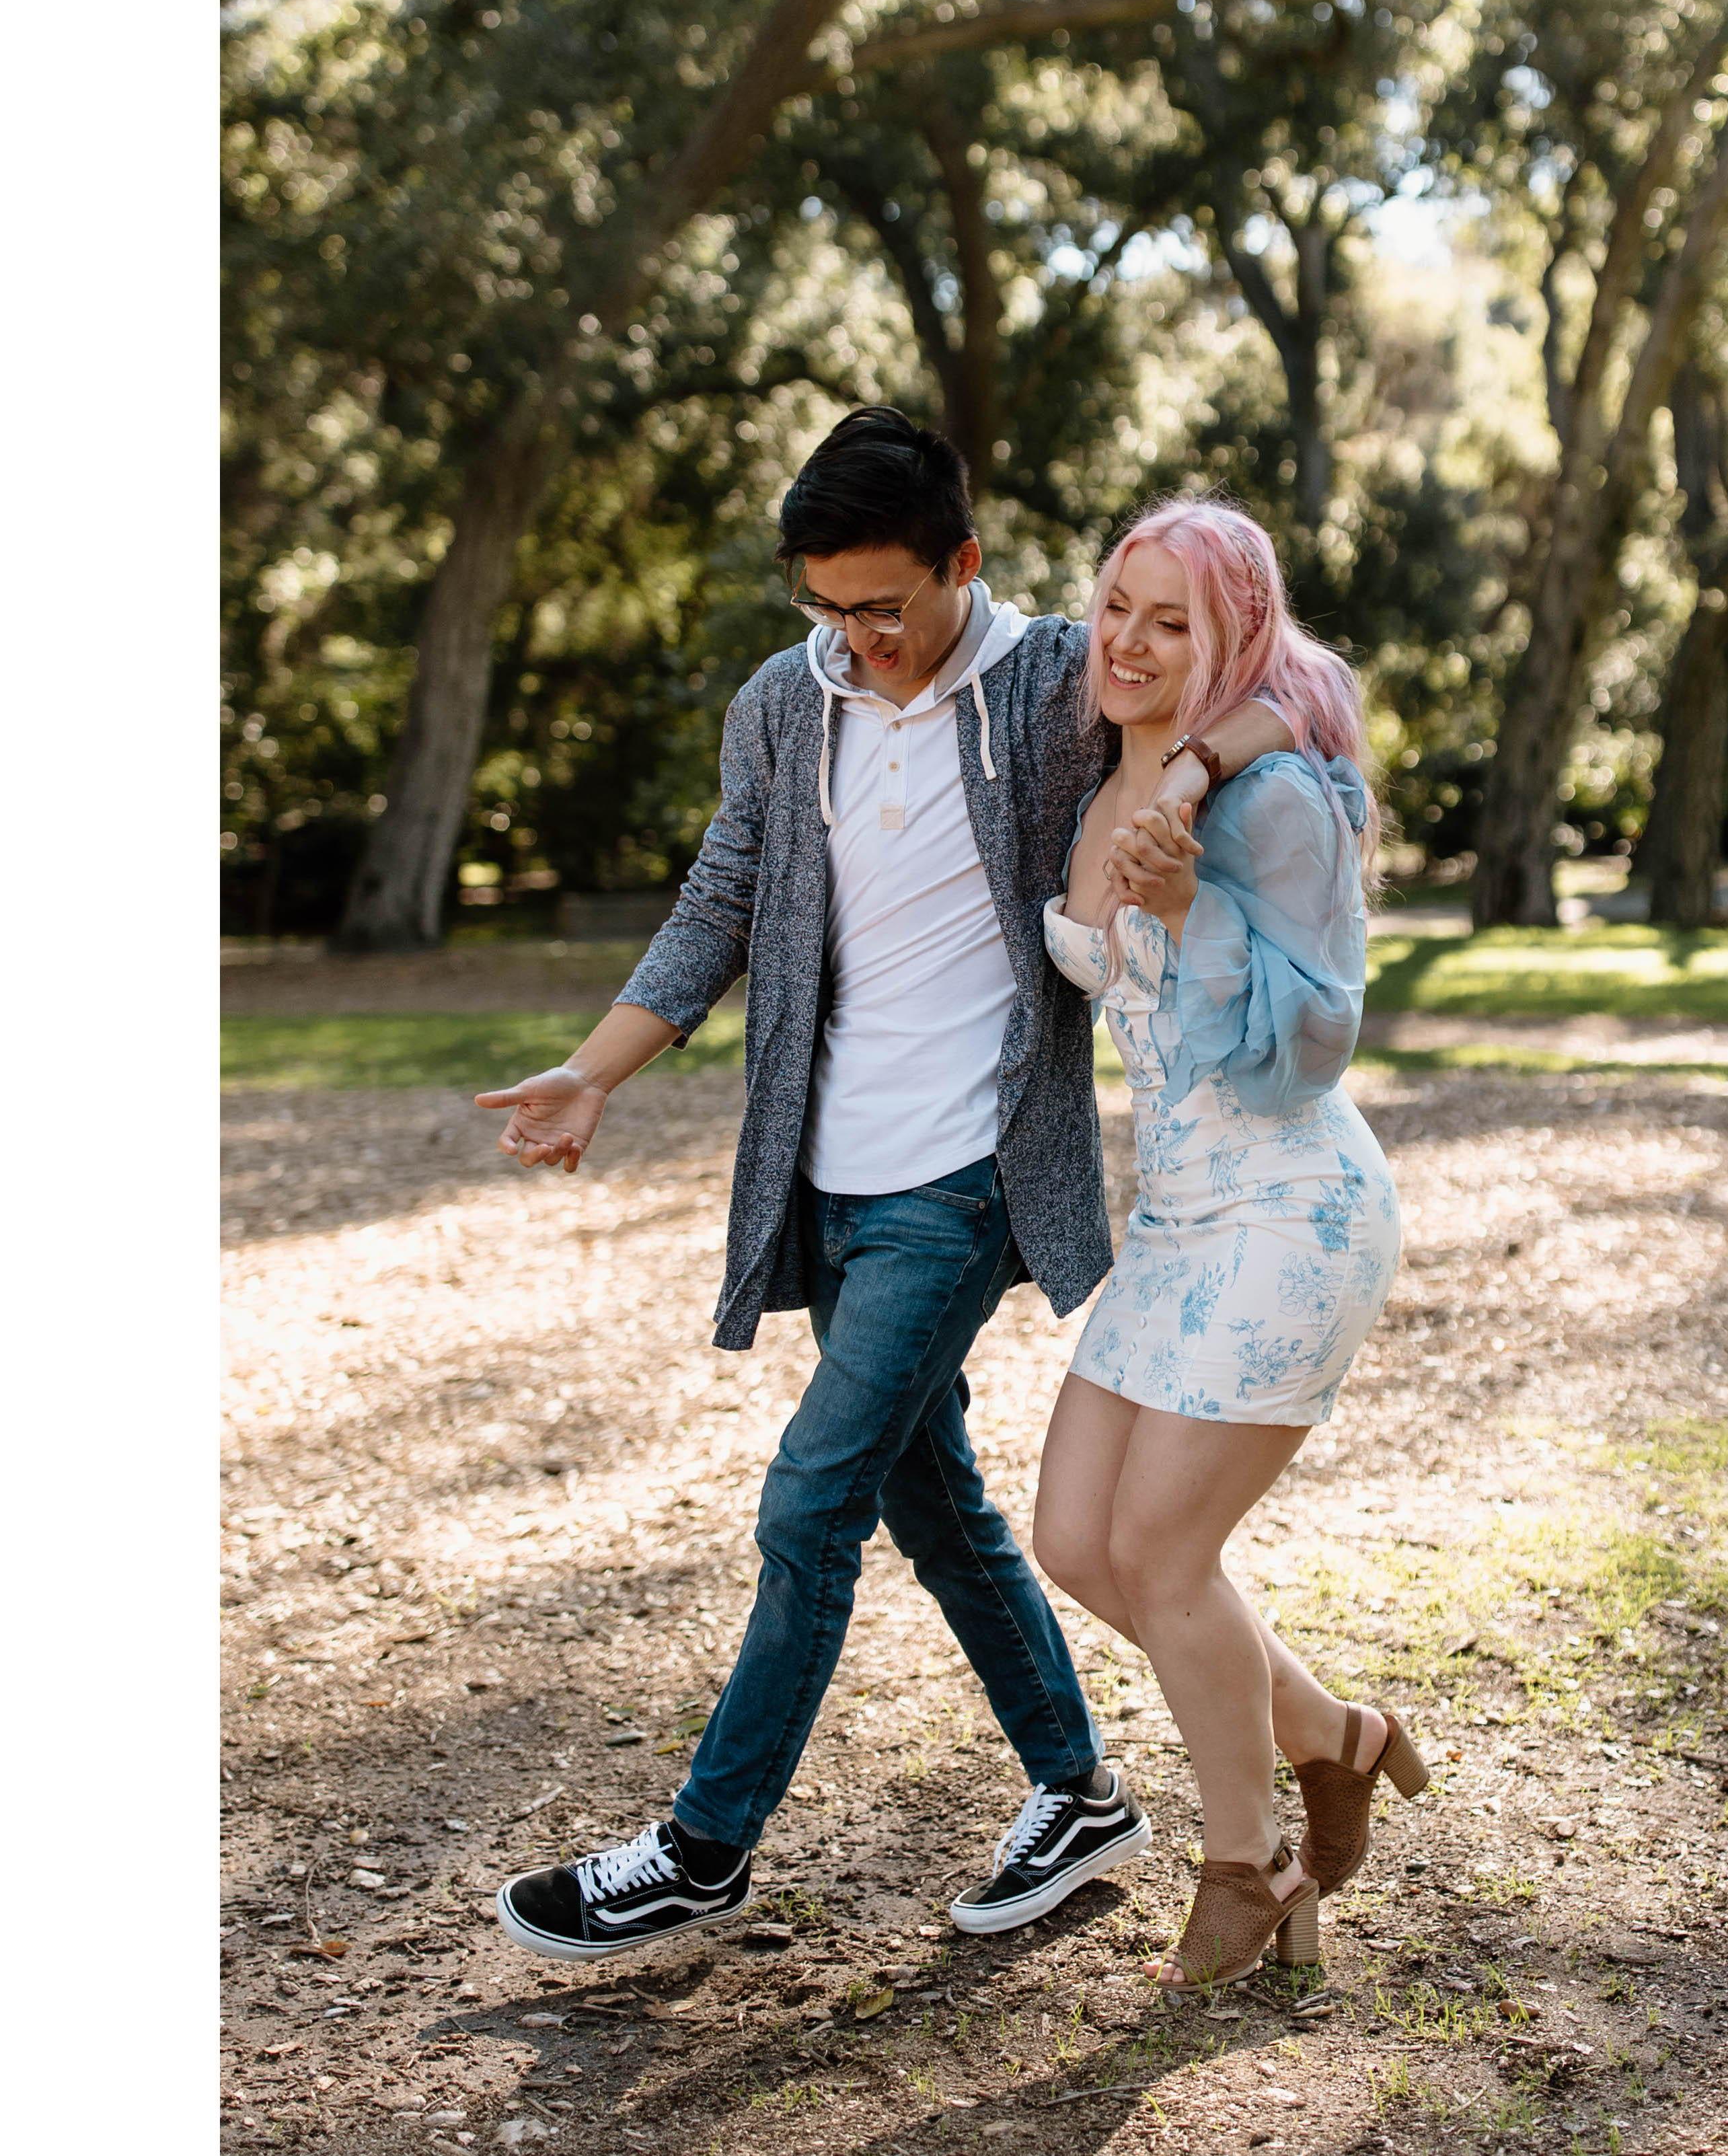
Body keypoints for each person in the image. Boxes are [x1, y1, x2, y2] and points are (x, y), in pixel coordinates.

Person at [470, 411, 1301, 1962]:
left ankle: (704, 1847)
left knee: (812, 1497)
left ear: (962, 562)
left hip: (966, 1175)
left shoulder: (1056, 679)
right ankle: (1080, 1790)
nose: (859, 637)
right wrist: (597, 1070)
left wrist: (1192, 763)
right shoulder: (786, 705)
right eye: (829, 607)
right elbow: (723, 895)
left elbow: (1285, 694)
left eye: (886, 606)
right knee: (935, 1499)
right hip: (827, 1177)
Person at [1028, 498, 1429, 1995]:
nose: (1130, 643)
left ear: (1235, 638)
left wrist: (1193, 903)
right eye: (1117, 608)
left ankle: (1247, 1862)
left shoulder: (1276, 805)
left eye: (1173, 620)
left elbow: (1318, 1041)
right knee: (1077, 1541)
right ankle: (1335, 1735)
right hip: (1176, 1216)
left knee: (1163, 1551)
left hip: (1292, 1207)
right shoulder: (1102, 780)